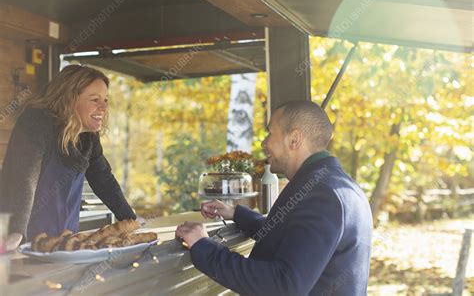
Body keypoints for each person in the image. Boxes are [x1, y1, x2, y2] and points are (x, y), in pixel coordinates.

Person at [176, 100, 373, 295]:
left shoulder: (321, 194)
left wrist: (203, 246)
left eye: (270, 133)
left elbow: (283, 285)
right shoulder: (335, 184)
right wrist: (236, 213)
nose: (264, 143)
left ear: (294, 139)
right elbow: (294, 238)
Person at [0, 65, 136, 249]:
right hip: (21, 239)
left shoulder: (88, 136)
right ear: (69, 100)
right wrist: (16, 233)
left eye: (105, 99)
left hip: (63, 242)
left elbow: (103, 179)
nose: (103, 107)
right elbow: (25, 178)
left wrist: (130, 220)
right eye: (95, 99)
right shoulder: (36, 122)